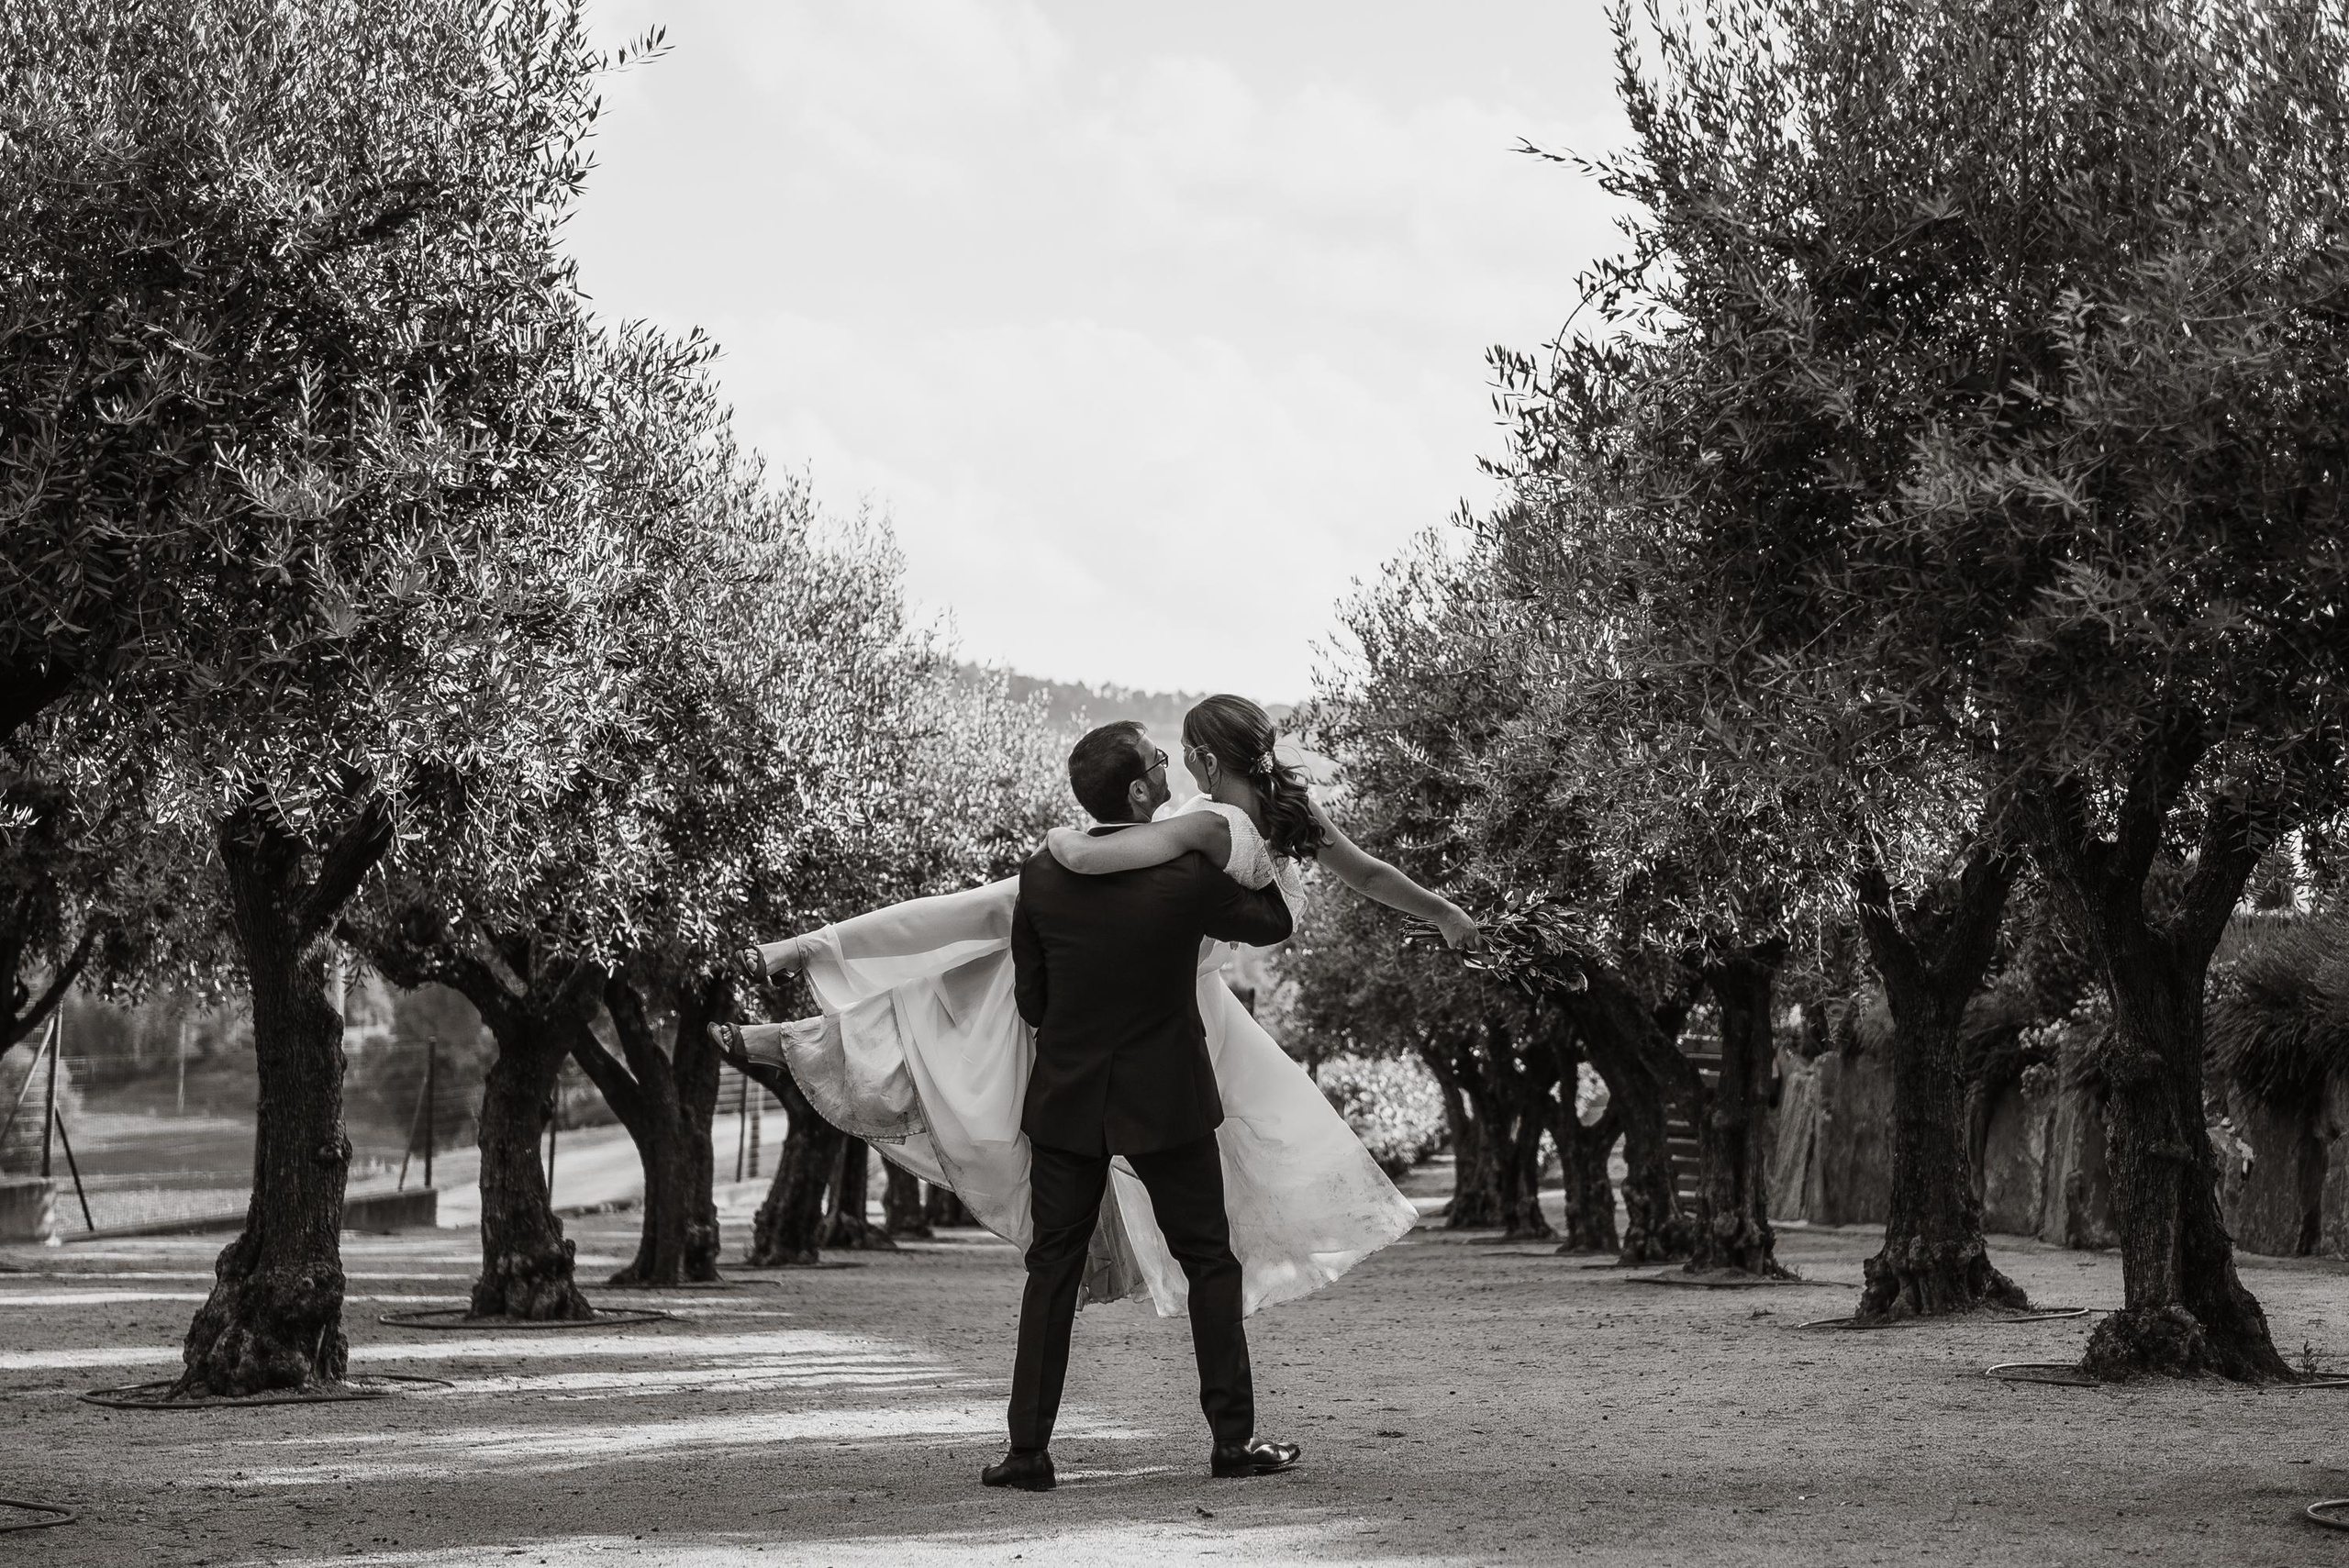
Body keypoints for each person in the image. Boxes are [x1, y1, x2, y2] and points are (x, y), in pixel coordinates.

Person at [711, 696, 1480, 1485]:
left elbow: (1036, 998)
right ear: (1148, 790)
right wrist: (1446, 913)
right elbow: (1282, 914)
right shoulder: (1197, 864)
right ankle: (1230, 1440)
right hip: (1171, 1075)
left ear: (1205, 765)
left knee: (1051, 1260)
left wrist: (1062, 862)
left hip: (1071, 1085)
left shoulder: (1067, 863)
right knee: (1210, 1260)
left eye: (1178, 753)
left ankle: (1027, 1452)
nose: (1170, 767)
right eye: (1159, 760)